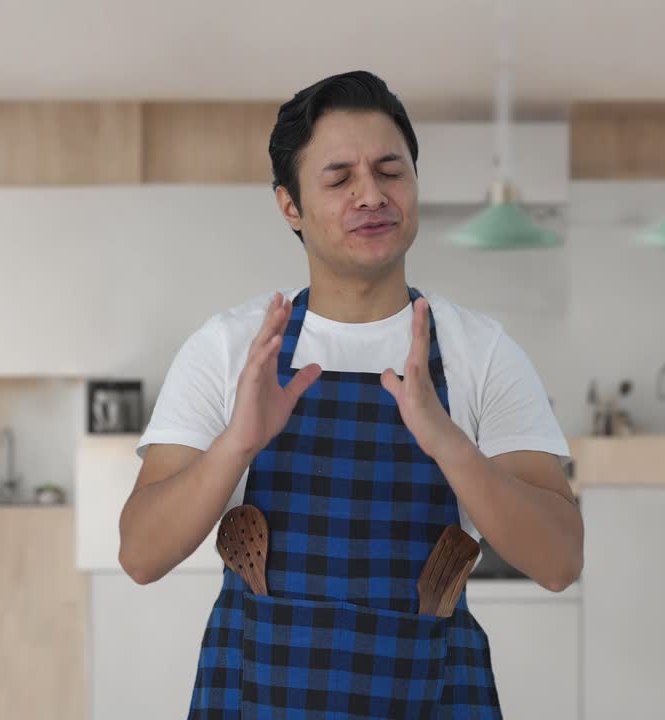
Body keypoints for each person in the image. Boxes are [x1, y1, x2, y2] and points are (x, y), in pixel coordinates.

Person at [118, 70, 583, 719]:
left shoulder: (481, 352)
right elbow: (140, 555)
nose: (372, 194)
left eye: (391, 171)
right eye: (339, 179)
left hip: (432, 693)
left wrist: (449, 443)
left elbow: (560, 560)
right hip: (260, 694)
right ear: (290, 205)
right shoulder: (231, 349)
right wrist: (237, 445)